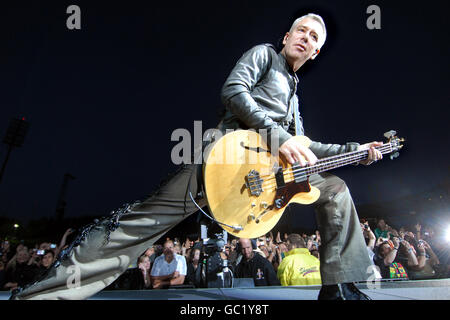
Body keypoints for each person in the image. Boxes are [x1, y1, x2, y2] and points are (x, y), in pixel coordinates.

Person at [10, 12, 382, 300]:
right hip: (227, 160)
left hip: (266, 175)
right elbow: (234, 90)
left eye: (314, 36)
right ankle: (45, 292)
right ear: (287, 37)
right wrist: (277, 135)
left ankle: (341, 287)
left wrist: (356, 151)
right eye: (301, 30)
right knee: (143, 222)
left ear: (317, 51)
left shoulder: (294, 95)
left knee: (334, 188)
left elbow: (306, 147)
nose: (306, 37)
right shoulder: (264, 55)